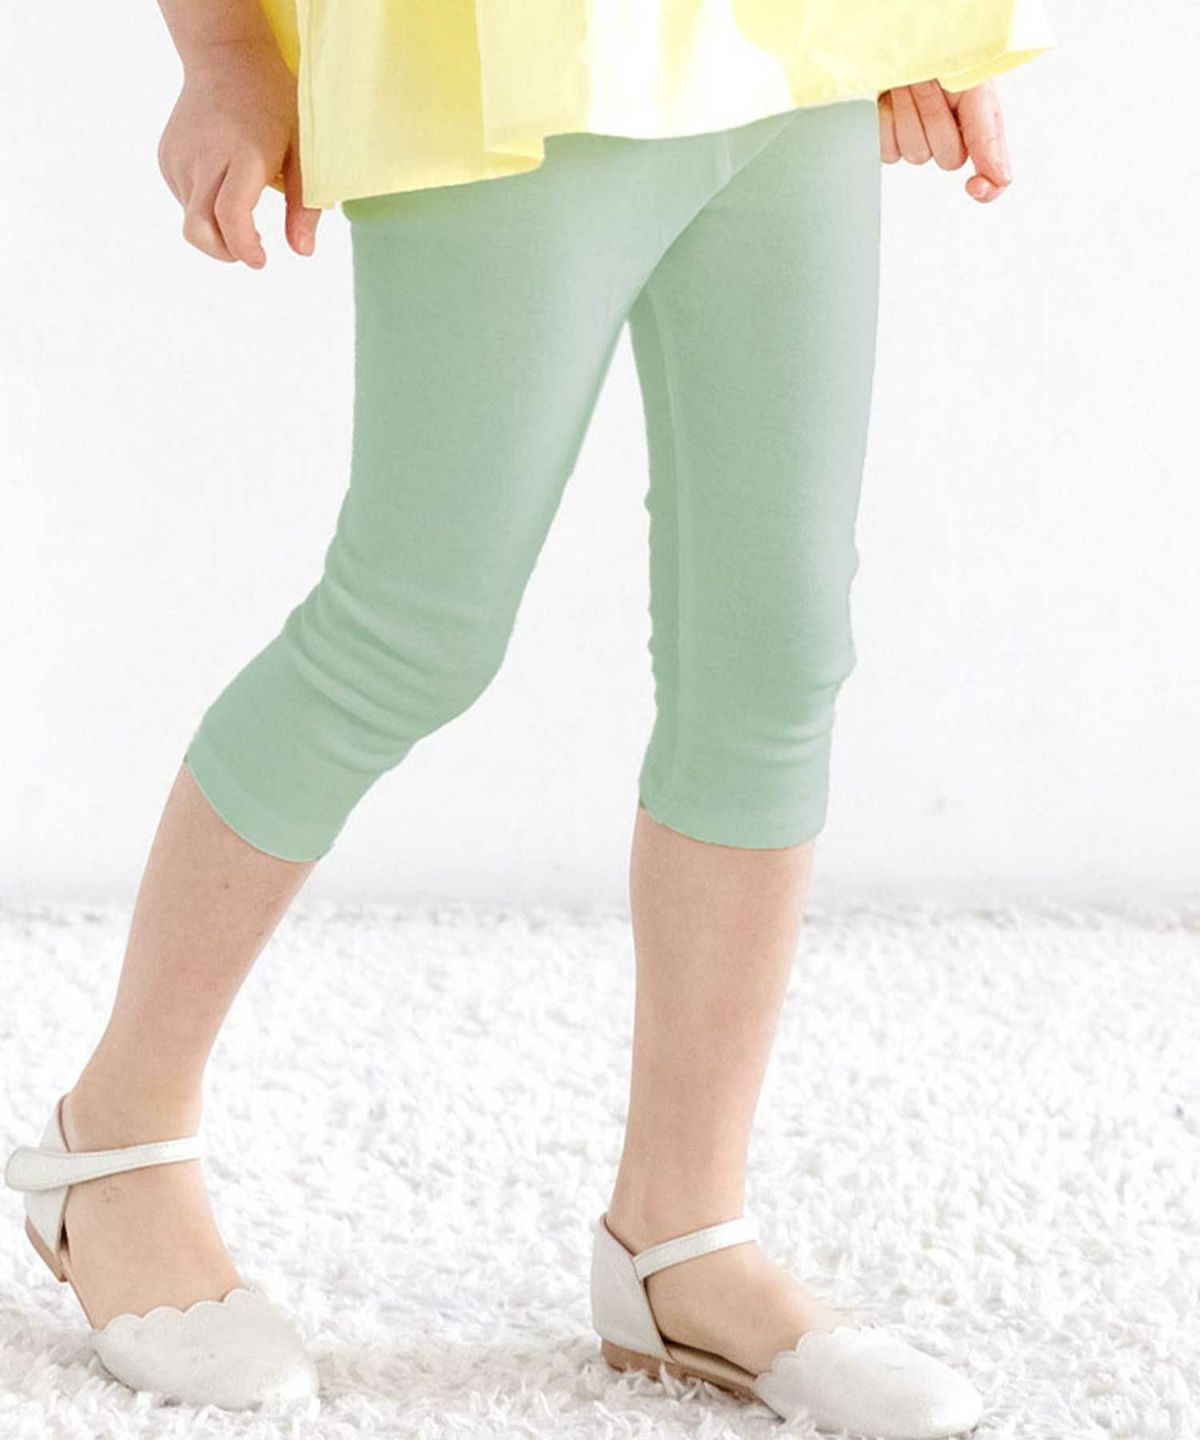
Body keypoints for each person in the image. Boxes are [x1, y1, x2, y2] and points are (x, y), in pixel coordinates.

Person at [3, 1, 1053, 1434]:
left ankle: (681, 1235)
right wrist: (226, 54)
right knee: (408, 632)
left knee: (776, 647)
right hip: (482, 56)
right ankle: (114, 1142)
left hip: (792, 46)